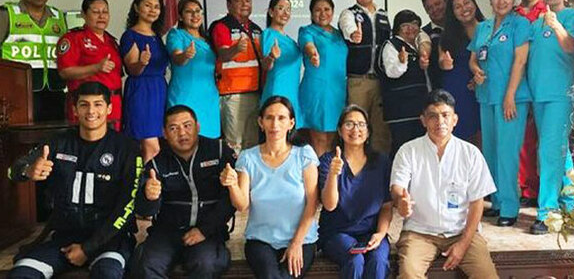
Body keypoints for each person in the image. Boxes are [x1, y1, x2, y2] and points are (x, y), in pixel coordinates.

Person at [7, 81, 141, 279]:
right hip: (63, 236)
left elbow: (127, 207)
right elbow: (12, 171)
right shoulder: (58, 142)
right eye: (84, 104)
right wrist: (28, 170)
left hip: (109, 238)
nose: (91, 111)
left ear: (109, 108)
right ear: (75, 109)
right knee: (21, 274)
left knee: (108, 273)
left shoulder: (126, 148)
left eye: (98, 104)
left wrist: (88, 248)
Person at [391, 89, 498, 279]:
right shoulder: (409, 151)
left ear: (454, 119)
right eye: (433, 116)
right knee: (409, 273)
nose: (440, 122)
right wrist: (401, 201)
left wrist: (463, 244)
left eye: (445, 115)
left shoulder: (470, 153)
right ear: (423, 120)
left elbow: (477, 203)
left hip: (462, 232)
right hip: (419, 232)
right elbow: (397, 187)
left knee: (487, 276)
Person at [131, 105, 235, 278]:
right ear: (164, 133)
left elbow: (230, 201)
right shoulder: (156, 164)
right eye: (173, 128)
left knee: (207, 263)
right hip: (166, 232)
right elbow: (143, 210)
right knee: (146, 264)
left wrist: (204, 230)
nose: (182, 133)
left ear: (198, 126)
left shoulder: (218, 151)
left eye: (187, 125)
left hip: (207, 231)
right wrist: (149, 197)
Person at [220, 96, 318, 278]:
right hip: (260, 240)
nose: (275, 124)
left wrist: (296, 243)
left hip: (301, 240)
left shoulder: (304, 154)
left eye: (281, 118)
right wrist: (232, 185)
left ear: (291, 123)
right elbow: (242, 205)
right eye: (269, 118)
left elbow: (312, 204)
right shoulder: (248, 158)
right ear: (260, 122)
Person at [468, 0, 531, 227]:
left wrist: (509, 96)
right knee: (490, 151)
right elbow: (473, 59)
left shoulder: (520, 24)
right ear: (490, 0)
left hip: (511, 98)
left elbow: (520, 61)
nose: (501, 1)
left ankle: (509, 206)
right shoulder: (483, 27)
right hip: (486, 95)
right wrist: (475, 70)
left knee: (507, 152)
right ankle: (495, 201)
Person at [527, 0, 574, 235]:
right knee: (559, 151)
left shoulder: (573, 17)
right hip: (539, 95)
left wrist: (556, 24)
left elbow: (573, 47)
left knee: (548, 151)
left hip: (562, 93)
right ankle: (571, 203)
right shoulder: (536, 23)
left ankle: (547, 213)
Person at [318, 105, 392, 279]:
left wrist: (380, 234)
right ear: (339, 130)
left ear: (368, 132)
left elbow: (387, 206)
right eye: (349, 124)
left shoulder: (381, 162)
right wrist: (333, 175)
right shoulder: (329, 161)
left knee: (379, 261)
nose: (356, 129)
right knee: (355, 259)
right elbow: (329, 205)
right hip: (337, 232)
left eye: (361, 124)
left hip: (372, 231)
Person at [0, 0, 67, 122]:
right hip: (16, 93)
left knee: (54, 141)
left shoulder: (59, 17)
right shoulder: (6, 15)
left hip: (54, 92)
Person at [338, 0, 392, 155]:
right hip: (358, 82)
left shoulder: (384, 15)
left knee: (381, 130)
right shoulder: (349, 13)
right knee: (356, 127)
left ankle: (379, 172)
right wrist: (354, 34)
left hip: (381, 81)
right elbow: (347, 27)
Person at [209, 0, 263, 153]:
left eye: (247, 0)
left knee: (253, 145)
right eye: (238, 0)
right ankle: (235, 179)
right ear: (228, 4)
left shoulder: (256, 29)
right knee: (235, 145)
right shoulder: (221, 26)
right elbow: (223, 54)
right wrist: (236, 49)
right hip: (233, 94)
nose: (244, 4)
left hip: (255, 92)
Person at [56, 0, 122, 131]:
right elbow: (65, 72)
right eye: (96, 12)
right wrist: (96, 68)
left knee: (111, 145)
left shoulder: (111, 41)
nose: (101, 16)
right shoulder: (73, 38)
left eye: (105, 12)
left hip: (112, 102)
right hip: (87, 104)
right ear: (84, 15)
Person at [119, 0, 169, 162]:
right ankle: (146, 185)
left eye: (156, 7)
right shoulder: (130, 35)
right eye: (148, 5)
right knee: (150, 146)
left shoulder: (157, 36)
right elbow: (132, 70)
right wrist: (142, 62)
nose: (153, 10)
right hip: (142, 91)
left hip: (159, 90)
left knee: (159, 142)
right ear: (136, 8)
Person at [299, 0, 348, 156]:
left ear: (333, 12)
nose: (322, 13)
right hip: (317, 90)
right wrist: (313, 53)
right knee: (319, 139)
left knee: (334, 139)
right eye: (317, 10)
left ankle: (330, 178)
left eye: (326, 9)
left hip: (338, 91)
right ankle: (318, 179)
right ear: (311, 13)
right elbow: (308, 45)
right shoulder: (307, 31)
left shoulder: (339, 34)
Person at [377, 10, 431, 157]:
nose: (411, 29)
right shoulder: (391, 45)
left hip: (417, 109)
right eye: (406, 26)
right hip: (401, 111)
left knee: (419, 150)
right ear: (397, 28)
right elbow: (391, 72)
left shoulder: (416, 47)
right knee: (402, 150)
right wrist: (401, 62)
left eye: (414, 25)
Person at [515, 0, 547, 208]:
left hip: (546, 81)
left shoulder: (549, 12)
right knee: (525, 139)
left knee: (547, 139)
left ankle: (551, 192)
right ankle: (529, 190)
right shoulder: (513, 15)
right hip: (519, 82)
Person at [166, 0, 220, 139]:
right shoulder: (176, 34)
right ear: (181, 16)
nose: (195, 15)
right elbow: (177, 58)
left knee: (209, 141)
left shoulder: (207, 39)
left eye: (198, 11)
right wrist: (186, 55)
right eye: (189, 12)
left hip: (208, 97)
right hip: (185, 95)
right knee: (183, 137)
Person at [438, 0, 485, 143]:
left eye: (467, 3)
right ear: (452, 12)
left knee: (487, 137)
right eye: (457, 7)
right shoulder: (447, 35)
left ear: (474, 4)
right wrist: (444, 64)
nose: (464, 9)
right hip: (459, 91)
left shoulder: (489, 28)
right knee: (462, 139)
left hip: (486, 87)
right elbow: (442, 60)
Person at [260, 0, 303, 128]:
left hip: (292, 91)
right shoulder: (268, 34)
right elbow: (266, 65)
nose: (285, 13)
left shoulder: (289, 39)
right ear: (271, 12)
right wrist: (272, 56)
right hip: (277, 90)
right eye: (280, 8)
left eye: (288, 9)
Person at [421, 0, 448, 90]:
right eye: (429, 8)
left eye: (437, 4)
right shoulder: (424, 33)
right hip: (438, 90)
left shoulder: (461, 26)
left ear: (446, 2)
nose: (435, 9)